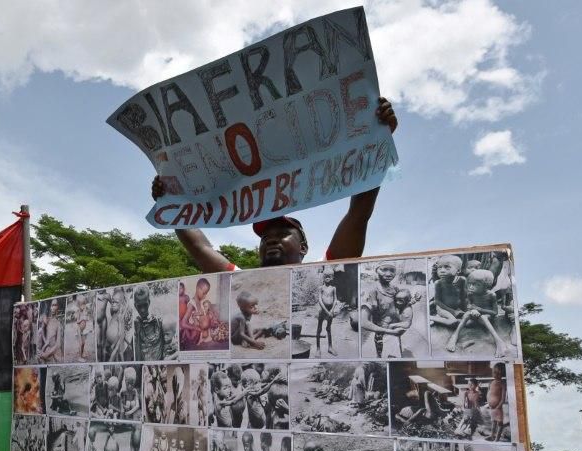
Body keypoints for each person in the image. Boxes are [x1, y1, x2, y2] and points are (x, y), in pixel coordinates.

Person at [150, 98, 398, 273]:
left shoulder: (327, 273)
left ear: (303, 247)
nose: (270, 240)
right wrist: (171, 202)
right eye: (266, 237)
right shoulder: (239, 283)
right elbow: (198, 246)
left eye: (281, 234)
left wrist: (378, 141)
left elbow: (358, 215)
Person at [446, 269, 509, 357]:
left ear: (486, 286)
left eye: (476, 284)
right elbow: (469, 305)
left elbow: (495, 312)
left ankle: (499, 342)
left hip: (487, 317)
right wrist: (472, 310)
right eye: (470, 283)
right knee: (467, 314)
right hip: (475, 316)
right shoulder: (471, 293)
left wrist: (479, 309)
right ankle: (454, 336)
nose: (471, 287)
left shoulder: (491, 295)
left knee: (483, 317)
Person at [430, 255, 467, 327]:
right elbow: (437, 301)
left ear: (458, 270)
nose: (442, 271)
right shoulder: (438, 283)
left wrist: (465, 310)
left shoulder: (462, 280)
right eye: (439, 268)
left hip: (457, 308)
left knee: (469, 322)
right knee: (452, 322)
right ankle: (431, 317)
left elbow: (463, 297)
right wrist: (453, 312)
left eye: (447, 267)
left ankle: (440, 319)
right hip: (443, 308)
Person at [134, 284, 166, 361]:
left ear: (149, 302)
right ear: (135, 306)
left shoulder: (159, 322)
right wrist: (137, 334)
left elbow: (166, 348)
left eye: (145, 305)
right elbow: (137, 359)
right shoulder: (135, 325)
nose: (142, 310)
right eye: (139, 306)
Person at [316, 270, 338, 356]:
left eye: (329, 276)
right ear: (323, 277)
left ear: (332, 277)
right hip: (322, 311)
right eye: (326, 276)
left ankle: (330, 347)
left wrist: (331, 310)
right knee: (319, 329)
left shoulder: (333, 288)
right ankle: (318, 349)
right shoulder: (321, 288)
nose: (327, 278)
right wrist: (326, 311)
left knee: (328, 328)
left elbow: (335, 299)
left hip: (330, 311)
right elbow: (320, 300)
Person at [486, 363, 507, 441]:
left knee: (499, 423)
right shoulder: (491, 382)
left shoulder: (502, 383)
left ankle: (497, 438)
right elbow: (488, 392)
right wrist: (488, 402)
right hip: (491, 407)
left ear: (502, 373)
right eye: (494, 372)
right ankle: (492, 435)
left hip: (498, 407)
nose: (496, 375)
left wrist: (498, 407)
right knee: (493, 422)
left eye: (498, 373)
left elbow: (503, 398)